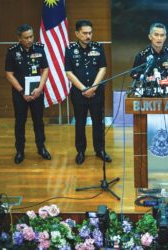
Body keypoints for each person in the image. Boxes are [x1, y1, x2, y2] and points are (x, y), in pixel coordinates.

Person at [65, 20, 111, 165]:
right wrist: (84, 89)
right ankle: (80, 151)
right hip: (79, 94)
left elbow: (103, 68)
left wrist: (94, 87)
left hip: (96, 93)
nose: (88, 36)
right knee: (80, 122)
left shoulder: (98, 48)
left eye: (90, 33)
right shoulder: (70, 49)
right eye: (84, 33)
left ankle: (100, 150)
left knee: (98, 122)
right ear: (77, 34)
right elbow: (68, 72)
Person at [5, 24, 52, 164]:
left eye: (31, 36)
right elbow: (9, 74)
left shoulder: (39, 49)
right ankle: (20, 151)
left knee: (38, 121)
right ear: (19, 38)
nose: (30, 40)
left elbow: (45, 70)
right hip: (20, 94)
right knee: (20, 122)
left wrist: (40, 88)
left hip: (37, 93)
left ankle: (41, 147)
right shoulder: (12, 52)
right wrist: (21, 91)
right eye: (26, 38)